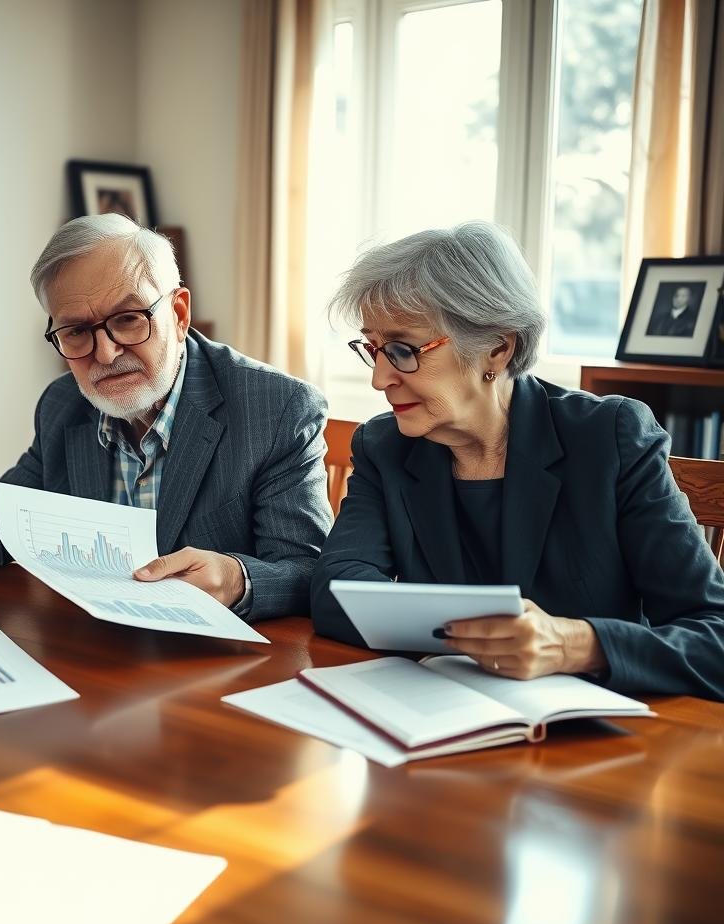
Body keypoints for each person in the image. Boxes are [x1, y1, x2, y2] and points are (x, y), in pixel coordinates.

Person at [0, 214, 332, 621]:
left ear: (179, 313)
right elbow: (8, 521)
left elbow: (307, 570)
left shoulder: (277, 409)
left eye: (128, 319)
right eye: (77, 331)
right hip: (97, 654)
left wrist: (237, 578)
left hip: (221, 679)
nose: (104, 352)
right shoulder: (63, 405)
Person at [310, 222, 724, 698]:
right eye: (374, 349)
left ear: (497, 347)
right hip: (441, 717)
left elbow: (714, 632)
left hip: (590, 739)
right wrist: (471, 635)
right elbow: (336, 592)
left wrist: (577, 645)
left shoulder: (610, 438)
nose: (380, 379)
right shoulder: (385, 445)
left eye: (404, 351)